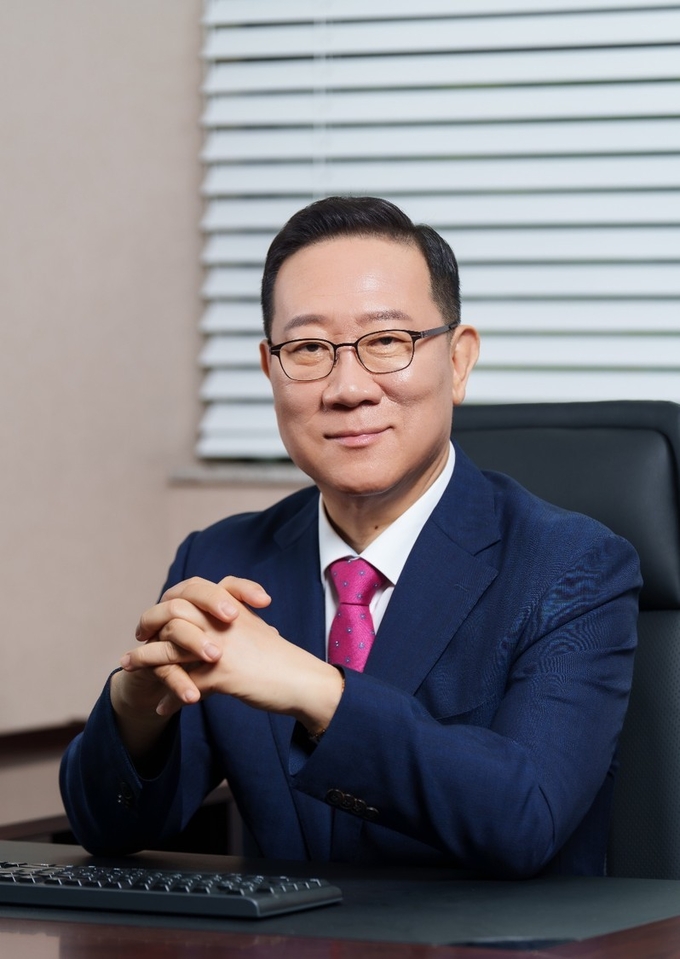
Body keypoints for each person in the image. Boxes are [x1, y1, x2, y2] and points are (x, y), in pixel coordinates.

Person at [60, 196, 641, 878]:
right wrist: (134, 711)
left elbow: (527, 817)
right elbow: (113, 829)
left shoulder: (573, 566)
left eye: (387, 341)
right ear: (270, 368)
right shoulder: (223, 561)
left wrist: (317, 689)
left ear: (458, 361)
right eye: (308, 348)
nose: (348, 388)